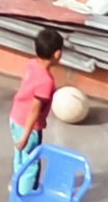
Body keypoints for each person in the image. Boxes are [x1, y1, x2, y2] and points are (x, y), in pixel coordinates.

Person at [9, 26, 68, 163]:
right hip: (29, 127)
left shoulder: (32, 64)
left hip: (15, 118)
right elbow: (35, 110)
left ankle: (15, 183)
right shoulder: (46, 82)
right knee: (31, 163)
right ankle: (27, 185)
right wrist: (26, 136)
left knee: (20, 155)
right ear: (57, 54)